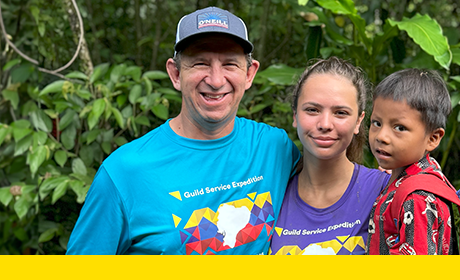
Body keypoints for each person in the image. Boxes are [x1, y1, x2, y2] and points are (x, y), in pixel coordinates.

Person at [66, 7, 300, 255]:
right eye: (200, 63)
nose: (216, 80)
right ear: (175, 74)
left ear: (249, 74)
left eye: (230, 64)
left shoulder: (274, 148)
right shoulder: (124, 173)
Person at [269, 57, 390, 255]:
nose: (325, 124)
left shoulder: (384, 191)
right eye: (312, 110)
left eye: (340, 113)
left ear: (359, 121)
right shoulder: (274, 192)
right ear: (294, 116)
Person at [366, 68, 454, 255]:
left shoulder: (416, 198)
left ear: (433, 138)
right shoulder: (415, 175)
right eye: (376, 123)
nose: (381, 136)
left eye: (399, 127)